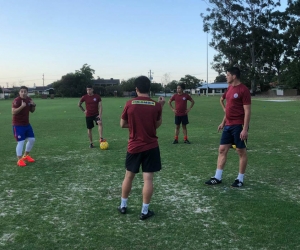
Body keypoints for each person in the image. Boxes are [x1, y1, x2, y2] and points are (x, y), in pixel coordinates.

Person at [118, 76, 165, 220]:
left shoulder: (129, 104)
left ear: (136, 89)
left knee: (129, 176)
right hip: (151, 146)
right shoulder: (156, 105)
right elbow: (157, 125)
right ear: (149, 89)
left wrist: (135, 125)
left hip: (134, 146)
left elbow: (122, 124)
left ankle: (123, 206)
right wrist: (161, 106)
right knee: (148, 179)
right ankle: (144, 211)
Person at [205, 67, 251, 187]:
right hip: (228, 125)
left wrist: (245, 129)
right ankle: (217, 177)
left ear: (234, 76)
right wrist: (223, 122)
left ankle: (240, 179)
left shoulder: (243, 90)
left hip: (239, 125)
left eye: (228, 75)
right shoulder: (229, 88)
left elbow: (247, 111)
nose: (226, 76)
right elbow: (229, 108)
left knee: (241, 151)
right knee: (222, 150)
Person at [12, 86, 36, 167]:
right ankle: (19, 160)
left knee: (32, 140)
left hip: (27, 124)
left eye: (25, 91)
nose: (23, 93)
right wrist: (22, 106)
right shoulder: (17, 100)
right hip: (18, 125)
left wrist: (33, 105)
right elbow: (13, 112)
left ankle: (26, 156)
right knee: (21, 142)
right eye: (21, 91)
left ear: (27, 92)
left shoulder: (28, 99)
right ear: (19, 92)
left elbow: (32, 111)